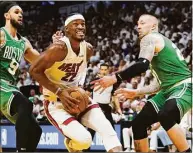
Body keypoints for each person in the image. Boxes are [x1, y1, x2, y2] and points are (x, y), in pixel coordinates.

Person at [91, 14, 192, 152]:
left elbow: (141, 65)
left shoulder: (150, 38)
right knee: (138, 124)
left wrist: (114, 78)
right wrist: (137, 92)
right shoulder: (160, 43)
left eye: (142, 23)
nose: (138, 26)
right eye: (137, 23)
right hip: (167, 89)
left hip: (184, 85)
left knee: (165, 115)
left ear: (154, 26)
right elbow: (158, 85)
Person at [29, 13, 122, 152]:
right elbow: (34, 70)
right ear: (67, 30)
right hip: (56, 104)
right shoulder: (58, 48)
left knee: (108, 130)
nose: (80, 27)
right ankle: (71, 144)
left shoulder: (88, 49)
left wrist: (78, 91)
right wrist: (60, 92)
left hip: (78, 98)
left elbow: (77, 75)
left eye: (83, 24)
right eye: (76, 24)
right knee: (85, 141)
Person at [0, 2, 42, 152]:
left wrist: (55, 48)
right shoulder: (1, 34)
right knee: (26, 104)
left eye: (21, 13)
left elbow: (41, 60)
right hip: (1, 84)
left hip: (10, 87)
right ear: (6, 15)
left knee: (36, 131)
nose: (20, 15)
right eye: (16, 12)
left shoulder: (24, 43)